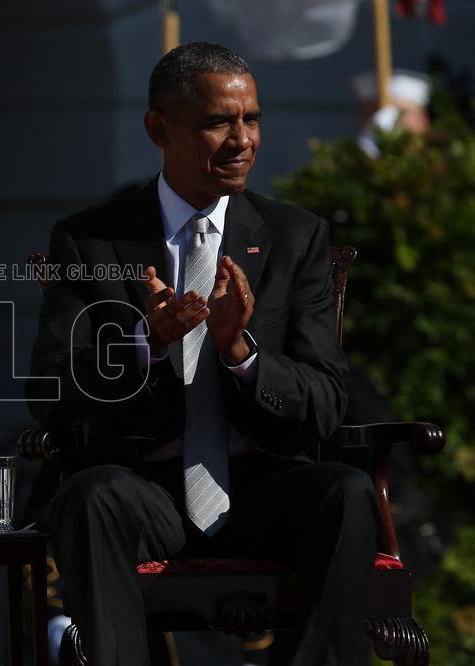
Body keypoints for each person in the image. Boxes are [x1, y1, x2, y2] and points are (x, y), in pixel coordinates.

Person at [26, 43, 379, 665]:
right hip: (147, 494)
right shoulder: (89, 241)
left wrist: (241, 352)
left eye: (252, 119)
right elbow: (50, 391)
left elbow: (327, 401)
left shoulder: (296, 238)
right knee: (92, 494)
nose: (242, 140)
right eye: (219, 122)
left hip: (265, 491)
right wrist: (146, 343)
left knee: (347, 492)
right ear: (159, 129)